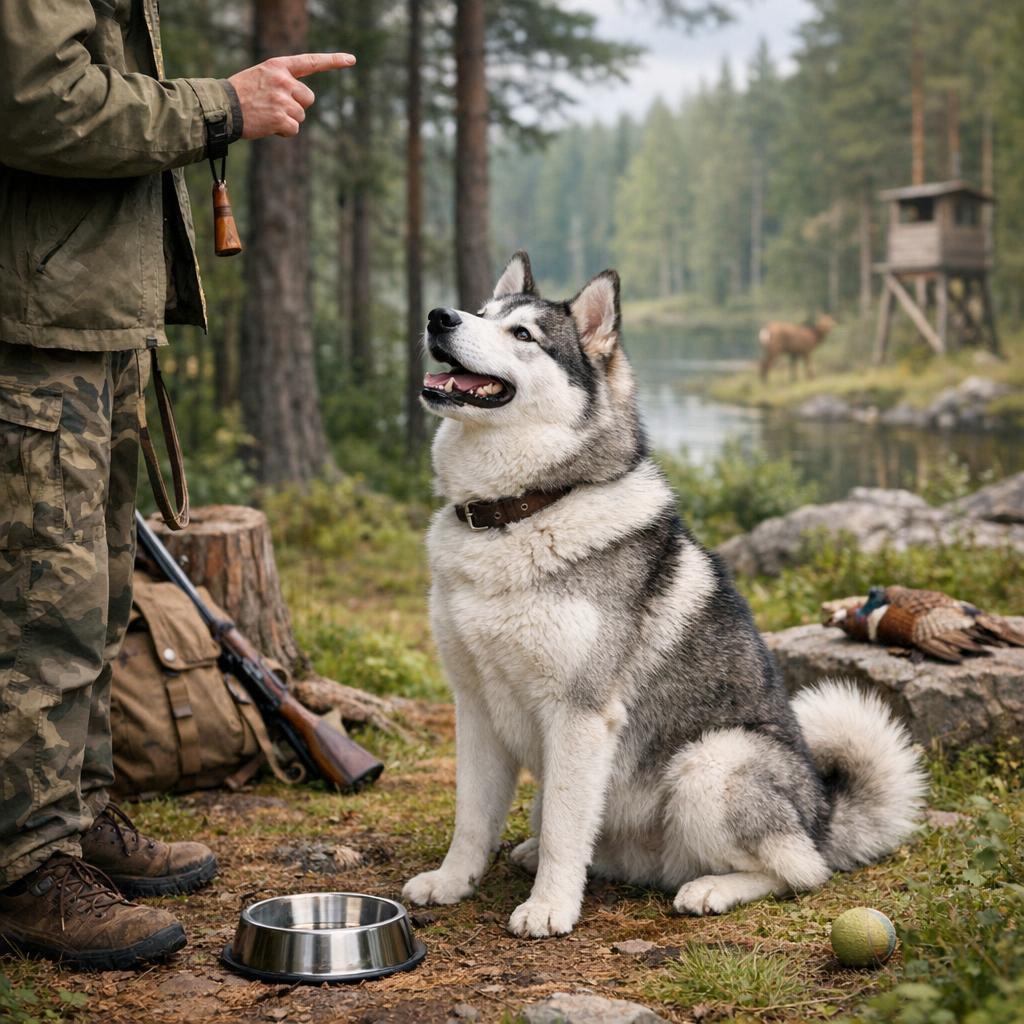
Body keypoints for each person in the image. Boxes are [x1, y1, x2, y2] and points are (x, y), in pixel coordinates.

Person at [0, 0, 355, 970]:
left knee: (98, 593)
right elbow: (35, 100)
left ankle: (70, 821)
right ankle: (24, 868)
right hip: (35, 330)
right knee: (44, 606)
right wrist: (220, 105)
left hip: (89, 317)